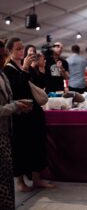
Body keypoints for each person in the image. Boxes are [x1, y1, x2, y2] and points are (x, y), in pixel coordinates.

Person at [4, 37, 54, 192]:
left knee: (36, 145)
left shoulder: (24, 66)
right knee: (21, 148)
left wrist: (39, 68)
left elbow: (39, 85)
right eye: (18, 48)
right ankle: (20, 182)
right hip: (20, 113)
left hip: (33, 112)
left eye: (22, 47)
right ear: (10, 51)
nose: (21, 51)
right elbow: (16, 88)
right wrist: (25, 69)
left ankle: (37, 179)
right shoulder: (8, 68)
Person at [0, 41, 32, 210]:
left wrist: (18, 106)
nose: (3, 58)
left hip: (6, 129)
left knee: (6, 177)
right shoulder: (8, 70)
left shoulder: (2, 74)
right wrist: (16, 106)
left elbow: (10, 97)